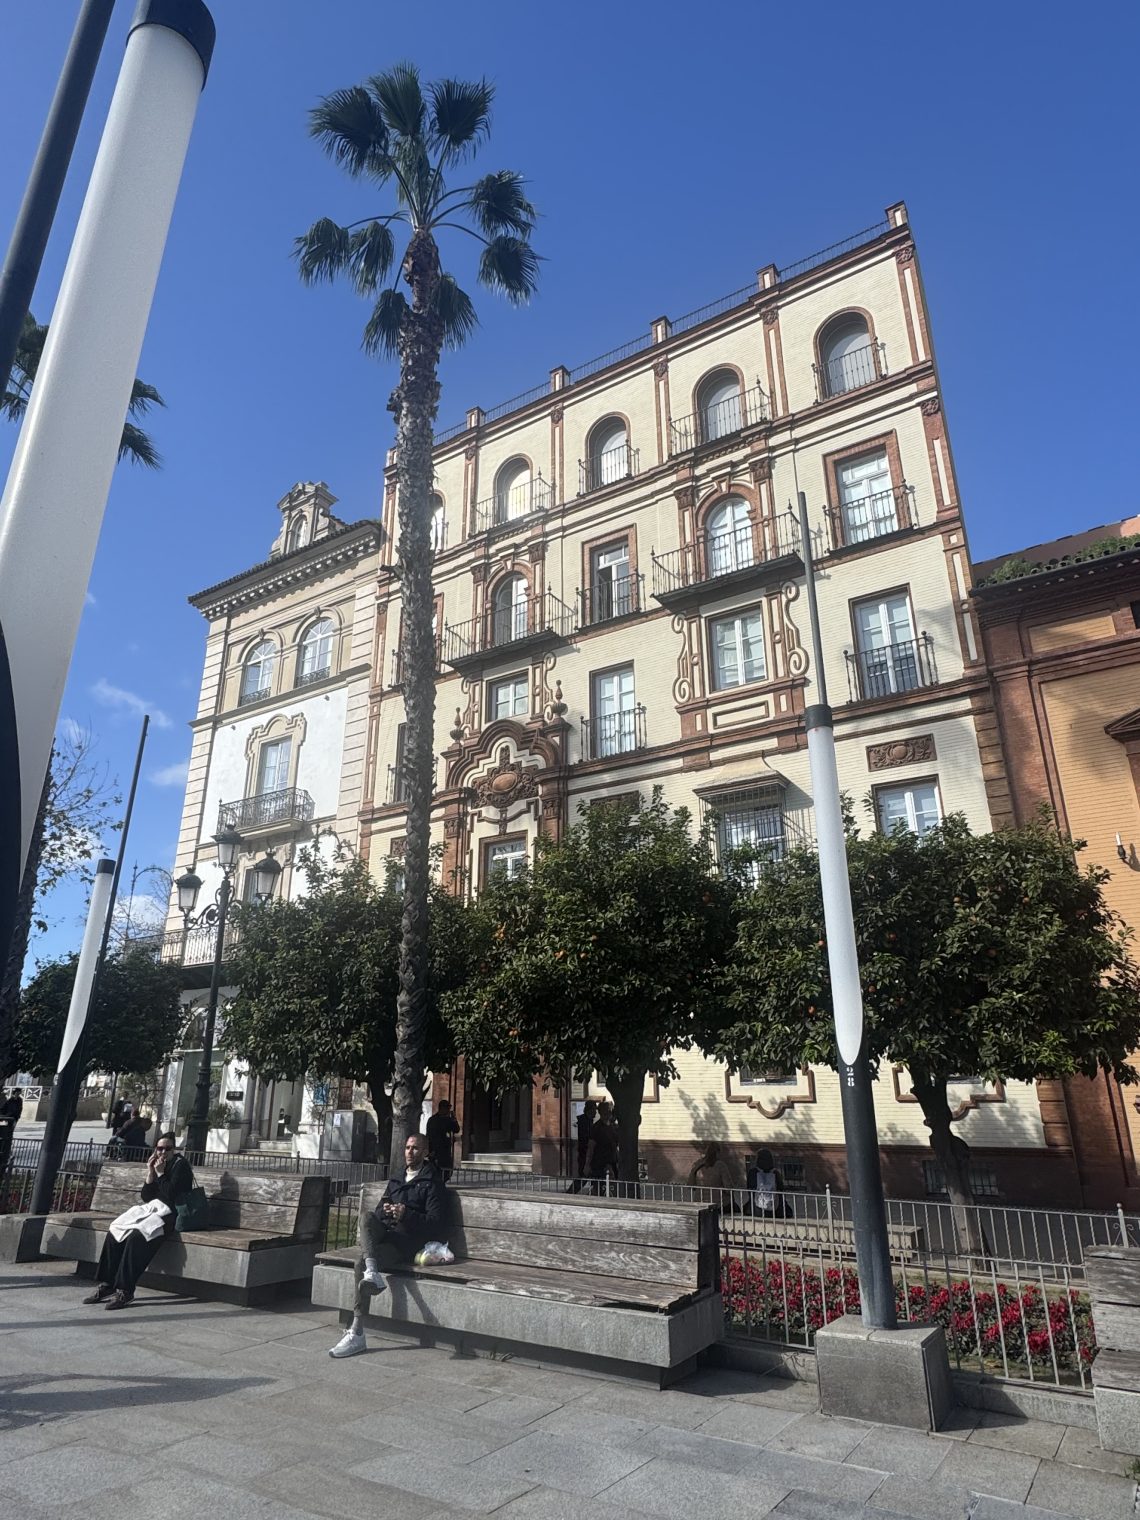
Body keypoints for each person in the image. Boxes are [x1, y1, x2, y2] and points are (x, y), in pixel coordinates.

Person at [329, 1132, 446, 1358]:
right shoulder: (397, 1177)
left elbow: (435, 1224)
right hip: (385, 1233)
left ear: (425, 1152)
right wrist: (387, 1211)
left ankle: (357, 1332)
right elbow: (379, 1209)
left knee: (360, 1263)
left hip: (404, 1243)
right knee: (366, 1217)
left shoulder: (432, 1183)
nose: (410, 1152)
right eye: (407, 1147)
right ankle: (373, 1271)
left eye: (415, 1148)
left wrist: (406, 1214)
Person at [83, 1132, 194, 1309]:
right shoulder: (157, 1165)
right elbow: (147, 1197)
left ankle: (125, 1290)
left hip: (170, 1215)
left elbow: (171, 1195)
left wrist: (161, 1174)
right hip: (152, 1210)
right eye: (160, 1148)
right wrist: (151, 1173)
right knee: (116, 1231)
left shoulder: (181, 1166)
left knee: (137, 1237)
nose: (163, 1152)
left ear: (174, 1150)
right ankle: (108, 1284)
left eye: (167, 1149)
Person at [584, 1100, 618, 1195]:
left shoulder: (614, 1127)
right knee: (598, 1187)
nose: (608, 1113)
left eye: (609, 1110)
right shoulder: (596, 1128)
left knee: (614, 1187)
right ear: (601, 1112)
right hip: (599, 1163)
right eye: (606, 1110)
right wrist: (587, 1164)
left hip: (612, 1161)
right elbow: (591, 1147)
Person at [565, 1099, 597, 1193]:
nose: (596, 1112)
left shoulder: (589, 1121)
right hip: (585, 1153)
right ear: (590, 1110)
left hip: (587, 1153)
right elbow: (586, 1138)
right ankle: (570, 1193)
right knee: (584, 1175)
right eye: (594, 1109)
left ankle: (593, 1192)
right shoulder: (584, 1121)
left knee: (589, 1176)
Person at [425, 1099, 460, 1180]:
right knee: (436, 1170)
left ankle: (443, 1181)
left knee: (447, 1170)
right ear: (442, 1108)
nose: (448, 1111)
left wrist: (454, 1119)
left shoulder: (448, 1120)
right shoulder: (433, 1120)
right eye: (447, 1108)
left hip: (446, 1149)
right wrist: (430, 1149)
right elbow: (430, 1136)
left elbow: (456, 1129)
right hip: (435, 1150)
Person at [745, 1148, 785, 1217]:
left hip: (757, 1210)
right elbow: (781, 1189)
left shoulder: (752, 1172)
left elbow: (750, 1189)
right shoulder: (776, 1173)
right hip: (775, 1211)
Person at [0, 1087, 23, 1174]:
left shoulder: (19, 1100)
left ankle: (7, 1150)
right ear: (14, 1093)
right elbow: (4, 1108)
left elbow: (19, 1109)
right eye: (17, 1093)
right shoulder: (10, 1100)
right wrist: (5, 1116)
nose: (18, 1094)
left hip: (14, 1118)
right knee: (5, 1133)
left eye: (19, 1093)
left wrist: (17, 1117)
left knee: (9, 1133)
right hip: (7, 1118)